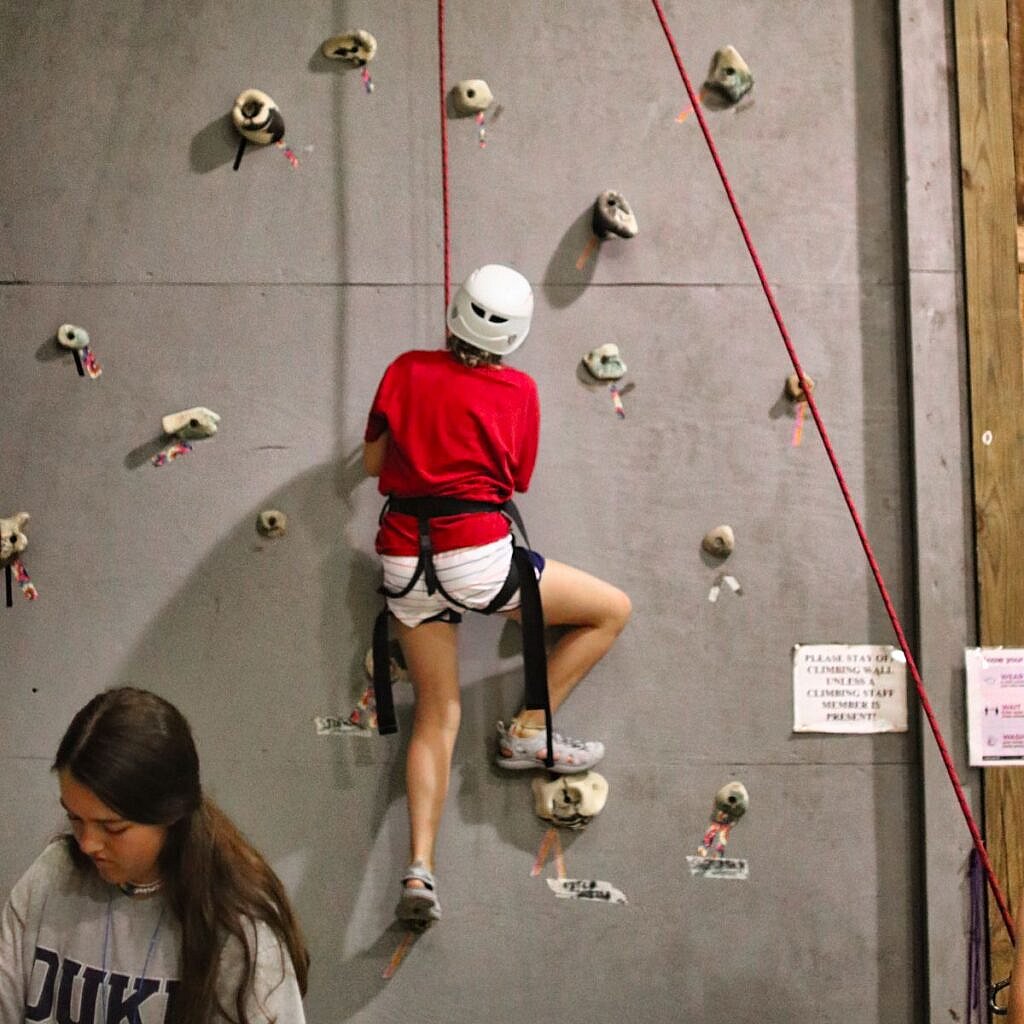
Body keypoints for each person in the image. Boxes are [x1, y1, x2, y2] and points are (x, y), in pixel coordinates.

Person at [363, 264, 631, 925]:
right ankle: (529, 729)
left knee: (437, 712)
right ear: (516, 336)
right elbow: (513, 479)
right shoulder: (518, 391)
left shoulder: (404, 370)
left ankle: (420, 869)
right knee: (610, 610)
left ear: (454, 313)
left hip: (402, 557)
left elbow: (374, 465)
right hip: (476, 556)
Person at [0, 687, 309, 1023]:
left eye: (112, 827)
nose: (88, 843)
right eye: (75, 818)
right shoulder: (51, 878)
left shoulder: (239, 926)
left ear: (169, 816)